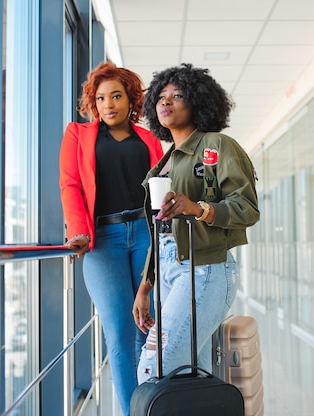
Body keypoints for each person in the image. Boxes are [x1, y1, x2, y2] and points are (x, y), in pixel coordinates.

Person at [132, 63, 259, 383]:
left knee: (153, 367)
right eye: (161, 97)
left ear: (198, 102)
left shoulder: (217, 146)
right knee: (190, 378)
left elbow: (247, 208)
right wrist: (146, 286)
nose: (166, 102)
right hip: (169, 271)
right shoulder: (164, 162)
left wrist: (198, 208)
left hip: (205, 268)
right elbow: (160, 229)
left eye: (177, 95)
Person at [59, 61, 163, 414]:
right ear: (93, 103)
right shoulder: (78, 134)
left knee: (144, 330)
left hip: (145, 237)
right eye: (101, 98)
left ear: (130, 99)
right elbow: (71, 185)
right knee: (119, 332)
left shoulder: (148, 139)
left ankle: (147, 405)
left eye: (116, 96)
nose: (108, 104)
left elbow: (162, 190)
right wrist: (78, 232)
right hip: (102, 241)